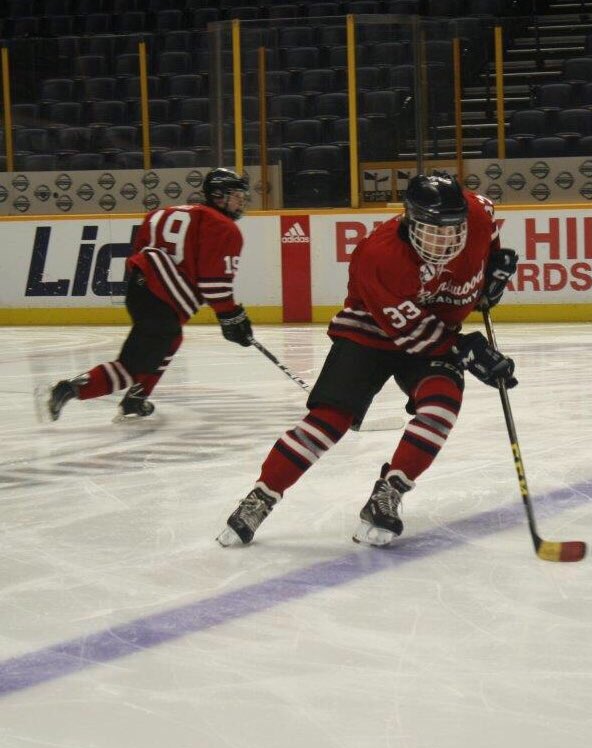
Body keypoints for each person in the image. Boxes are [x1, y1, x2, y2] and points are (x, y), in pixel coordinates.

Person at [216, 173, 519, 549]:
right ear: (409, 220)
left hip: (436, 330)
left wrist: (493, 276)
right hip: (370, 331)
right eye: (433, 232)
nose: (444, 241)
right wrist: (465, 348)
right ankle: (261, 496)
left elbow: (487, 245)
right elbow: (416, 335)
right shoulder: (377, 255)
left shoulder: (478, 214)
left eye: (452, 231)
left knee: (441, 408)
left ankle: (388, 493)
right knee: (329, 421)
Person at [35, 168, 254, 424]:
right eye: (236, 195)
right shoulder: (224, 227)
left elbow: (139, 251)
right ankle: (67, 390)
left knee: (171, 339)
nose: (241, 201)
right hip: (162, 301)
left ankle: (136, 400)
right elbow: (213, 283)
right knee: (131, 367)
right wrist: (231, 316)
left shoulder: (161, 213)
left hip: (138, 291)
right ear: (218, 196)